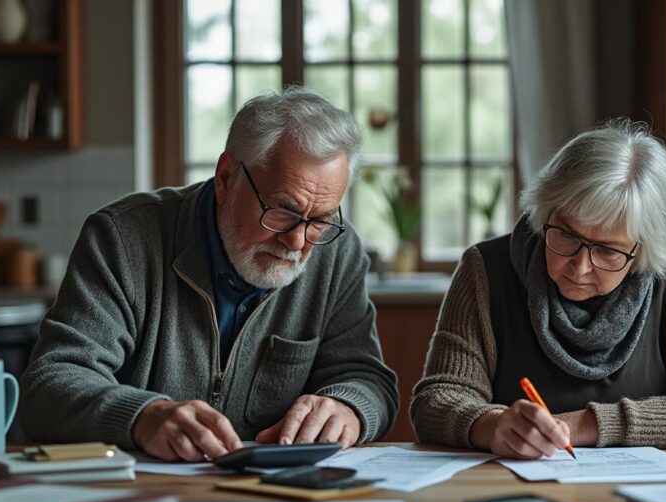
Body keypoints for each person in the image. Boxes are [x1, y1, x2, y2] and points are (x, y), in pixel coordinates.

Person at [20, 87, 398, 461]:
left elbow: (368, 380)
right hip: (141, 501)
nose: (298, 242)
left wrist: (346, 407)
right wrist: (140, 417)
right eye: (282, 211)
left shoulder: (336, 253)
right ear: (225, 178)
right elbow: (49, 387)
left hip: (281, 499)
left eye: (319, 221)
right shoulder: (121, 239)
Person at [410, 119, 666, 459]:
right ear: (546, 211)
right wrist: (492, 425)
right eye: (566, 235)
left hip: (650, 495)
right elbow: (436, 400)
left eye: (607, 251)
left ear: (643, 249)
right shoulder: (486, 269)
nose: (579, 267)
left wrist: (585, 424)